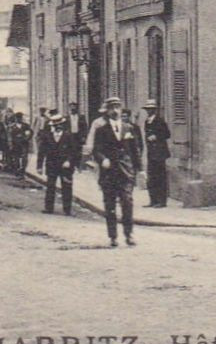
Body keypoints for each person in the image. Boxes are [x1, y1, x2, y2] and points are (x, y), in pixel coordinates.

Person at [90, 97, 143, 248]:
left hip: (126, 172)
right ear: (107, 111)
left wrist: (141, 170)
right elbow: (96, 150)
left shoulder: (129, 128)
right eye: (112, 108)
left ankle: (129, 234)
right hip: (109, 174)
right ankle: (113, 236)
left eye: (118, 107)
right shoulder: (102, 130)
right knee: (110, 206)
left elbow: (135, 151)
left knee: (127, 203)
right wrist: (103, 159)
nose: (115, 111)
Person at [40, 113, 78, 215]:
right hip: (51, 165)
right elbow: (42, 151)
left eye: (60, 124)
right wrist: (39, 166)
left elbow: (73, 151)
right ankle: (49, 208)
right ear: (52, 126)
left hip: (65, 166)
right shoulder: (47, 136)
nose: (58, 127)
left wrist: (69, 161)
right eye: (56, 125)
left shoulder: (68, 136)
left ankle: (67, 210)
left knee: (67, 187)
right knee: (50, 186)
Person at [142, 99, 172, 208]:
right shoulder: (147, 121)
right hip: (151, 153)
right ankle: (153, 200)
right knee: (152, 177)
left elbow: (167, 134)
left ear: (155, 110)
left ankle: (162, 201)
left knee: (160, 177)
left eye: (151, 109)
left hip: (160, 153)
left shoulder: (160, 121)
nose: (149, 111)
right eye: (148, 109)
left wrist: (157, 137)